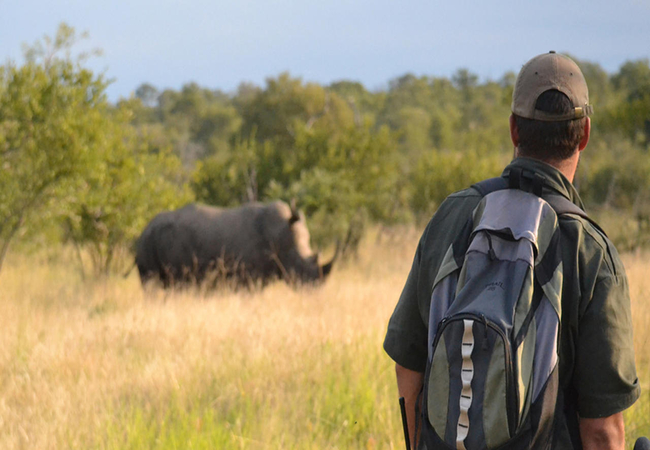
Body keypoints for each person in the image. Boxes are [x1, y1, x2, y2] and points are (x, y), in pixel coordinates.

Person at [384, 51, 640, 449]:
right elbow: (602, 430)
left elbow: (408, 368)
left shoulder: (452, 216)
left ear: (514, 130)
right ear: (585, 134)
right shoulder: (590, 251)